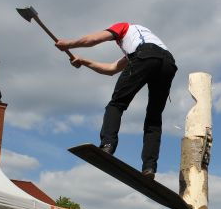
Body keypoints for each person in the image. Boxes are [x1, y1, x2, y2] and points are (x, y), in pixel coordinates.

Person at [55, 22, 177, 179]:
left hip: (146, 56)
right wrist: (84, 61)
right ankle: (149, 167)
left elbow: (92, 39)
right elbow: (111, 69)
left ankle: (107, 145)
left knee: (116, 104)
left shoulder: (124, 27)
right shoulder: (140, 43)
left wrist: (69, 44)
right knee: (154, 118)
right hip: (168, 63)